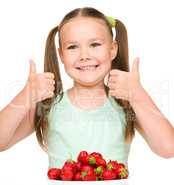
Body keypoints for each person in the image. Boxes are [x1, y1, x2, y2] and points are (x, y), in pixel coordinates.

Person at [0, 7, 174, 169]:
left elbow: (168, 148)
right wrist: (25, 96)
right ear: (61, 55)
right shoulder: (48, 105)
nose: (84, 55)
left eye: (95, 45)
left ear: (112, 49)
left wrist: (138, 94)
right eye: (72, 47)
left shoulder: (126, 104)